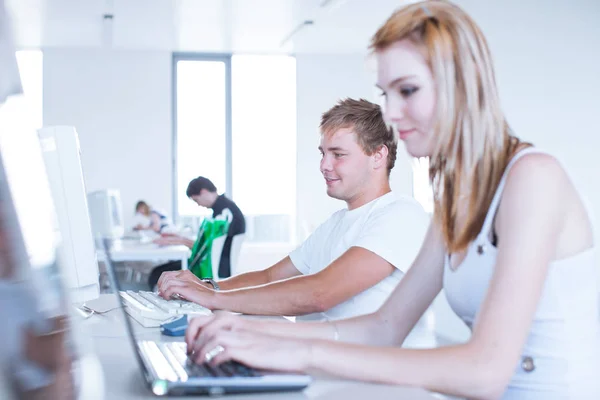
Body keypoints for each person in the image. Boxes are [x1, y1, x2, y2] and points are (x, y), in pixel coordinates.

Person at [182, 2, 600, 399]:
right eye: (387, 93)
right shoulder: (457, 197)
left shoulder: (532, 177)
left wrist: (297, 353)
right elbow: (383, 327)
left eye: (409, 90)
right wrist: (250, 334)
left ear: (465, 81)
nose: (392, 113)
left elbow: (486, 371)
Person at [157, 98, 429, 321]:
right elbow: (269, 276)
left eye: (338, 154)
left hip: (366, 378)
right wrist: (205, 287)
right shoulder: (336, 223)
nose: (324, 165)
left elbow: (321, 292)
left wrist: (214, 299)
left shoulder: (401, 215)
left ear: (378, 156)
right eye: (322, 153)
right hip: (318, 362)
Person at [147, 177, 246, 288]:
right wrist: (177, 238)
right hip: (213, 263)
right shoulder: (223, 209)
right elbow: (206, 245)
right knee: (158, 271)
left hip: (213, 267)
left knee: (157, 273)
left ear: (203, 192)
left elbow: (206, 249)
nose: (198, 204)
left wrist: (177, 240)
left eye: (196, 200)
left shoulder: (223, 214)